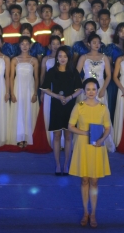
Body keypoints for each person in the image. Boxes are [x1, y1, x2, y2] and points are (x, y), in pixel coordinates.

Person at [68, 77, 112, 228]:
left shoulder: (103, 107)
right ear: (84, 91)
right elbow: (70, 126)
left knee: (95, 181)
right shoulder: (79, 106)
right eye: (88, 89)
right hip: (82, 145)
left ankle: (93, 213)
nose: (91, 92)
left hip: (97, 146)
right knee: (84, 180)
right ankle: (85, 212)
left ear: (97, 90)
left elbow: (108, 128)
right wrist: (85, 133)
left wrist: (102, 139)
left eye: (94, 89)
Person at [40, 45, 82, 175]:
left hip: (70, 105)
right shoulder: (52, 71)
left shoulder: (73, 72)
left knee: (68, 135)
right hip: (56, 105)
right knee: (57, 135)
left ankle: (66, 164)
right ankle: (57, 165)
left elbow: (80, 89)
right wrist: (56, 96)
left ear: (69, 58)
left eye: (65, 56)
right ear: (57, 57)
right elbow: (45, 88)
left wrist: (70, 97)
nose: (62, 58)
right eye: (60, 56)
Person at [8, 36, 39, 147]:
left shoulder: (34, 60)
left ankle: (27, 137)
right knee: (19, 112)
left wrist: (35, 93)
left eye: (27, 44)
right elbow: (11, 77)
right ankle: (19, 137)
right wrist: (12, 93)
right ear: (19, 46)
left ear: (30, 45)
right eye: (22, 44)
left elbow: (36, 78)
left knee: (29, 112)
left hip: (30, 88)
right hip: (18, 88)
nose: (25, 46)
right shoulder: (14, 60)